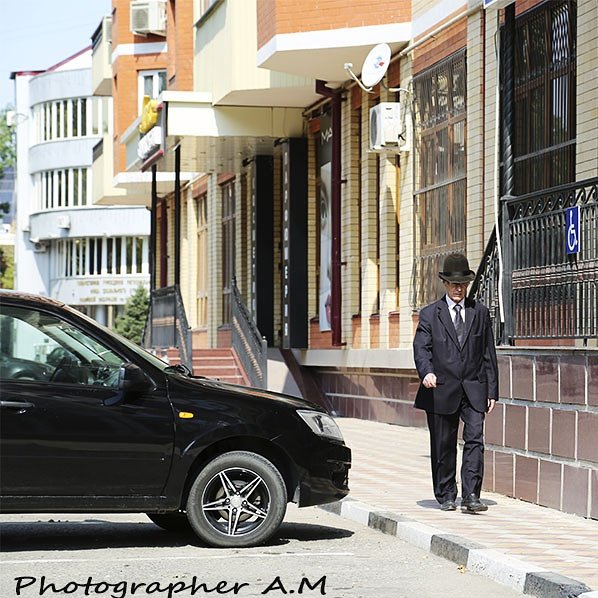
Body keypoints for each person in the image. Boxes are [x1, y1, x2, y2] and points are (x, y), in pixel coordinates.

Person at [413, 253, 498, 513]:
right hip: (440, 388)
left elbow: (488, 353)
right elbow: (421, 348)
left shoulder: (480, 312)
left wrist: (492, 390)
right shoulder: (430, 314)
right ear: (445, 285)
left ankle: (472, 495)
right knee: (443, 443)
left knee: (475, 440)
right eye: (453, 284)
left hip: (473, 388)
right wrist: (426, 372)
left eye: (462, 284)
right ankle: (446, 493)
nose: (458, 288)